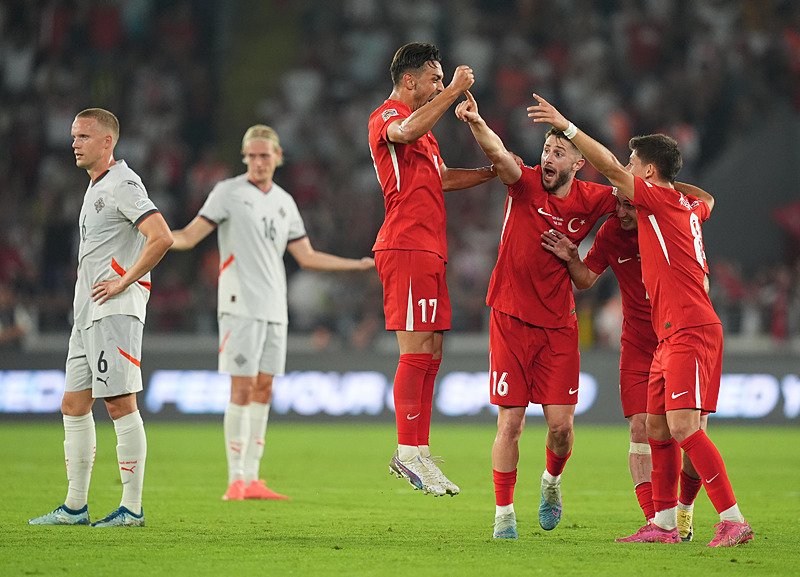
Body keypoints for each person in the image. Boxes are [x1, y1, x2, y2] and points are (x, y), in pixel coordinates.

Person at [529, 94, 753, 547]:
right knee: (654, 427)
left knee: (687, 428)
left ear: (648, 173)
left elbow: (610, 169)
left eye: (634, 163)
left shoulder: (662, 202)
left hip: (689, 327)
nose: (626, 171)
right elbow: (705, 198)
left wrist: (568, 128)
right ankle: (665, 524)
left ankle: (732, 519)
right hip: (666, 333)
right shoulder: (683, 207)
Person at [170, 125, 374, 501]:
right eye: (252, 156)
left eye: (265, 155)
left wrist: (355, 265)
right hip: (239, 306)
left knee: (264, 388)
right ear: (245, 158)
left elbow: (306, 256)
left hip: (274, 308)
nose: (259, 162)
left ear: (278, 157)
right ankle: (235, 479)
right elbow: (189, 236)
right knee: (242, 387)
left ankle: (253, 477)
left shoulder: (284, 202)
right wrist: (159, 237)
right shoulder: (227, 193)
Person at [454, 90, 616, 538]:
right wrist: (475, 120)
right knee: (511, 422)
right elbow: (499, 154)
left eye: (559, 153)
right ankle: (503, 515)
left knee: (561, 428)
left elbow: (627, 186)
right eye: (546, 149)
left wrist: (678, 194)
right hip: (509, 319)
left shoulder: (592, 199)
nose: (548, 158)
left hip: (559, 327)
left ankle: (551, 483)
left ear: (577, 164)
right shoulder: (523, 182)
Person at [29, 108, 174, 527]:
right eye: (74, 136)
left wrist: (124, 281)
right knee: (74, 404)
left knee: (118, 403)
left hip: (115, 311)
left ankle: (131, 508)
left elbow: (161, 236)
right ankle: (75, 507)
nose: (74, 142)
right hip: (87, 314)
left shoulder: (123, 184)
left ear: (108, 141)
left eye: (84, 136)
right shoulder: (97, 187)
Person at [369, 42, 497, 497]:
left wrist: (490, 172)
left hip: (429, 247)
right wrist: (454, 92)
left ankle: (420, 451)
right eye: (435, 79)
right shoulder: (386, 117)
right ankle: (406, 453)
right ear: (410, 80)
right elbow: (402, 132)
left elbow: (441, 178)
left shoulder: (426, 132)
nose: (441, 86)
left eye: (443, 80)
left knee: (433, 351)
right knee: (415, 349)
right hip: (404, 244)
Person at [541, 195, 708, 541]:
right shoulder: (611, 233)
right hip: (638, 345)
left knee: (689, 434)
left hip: (681, 336)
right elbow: (586, 279)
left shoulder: (671, 218)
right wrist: (572, 258)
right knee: (640, 428)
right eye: (617, 204)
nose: (620, 212)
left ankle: (685, 511)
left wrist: (665, 185)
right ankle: (656, 522)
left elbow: (706, 199)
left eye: (629, 205)